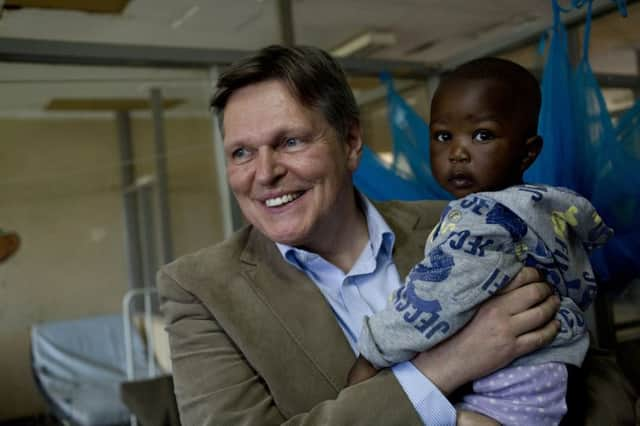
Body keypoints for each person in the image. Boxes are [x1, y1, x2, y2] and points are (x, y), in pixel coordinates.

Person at [157, 45, 614, 426]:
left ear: (352, 142)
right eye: (241, 152)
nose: (265, 173)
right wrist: (447, 364)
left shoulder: (470, 226)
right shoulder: (200, 289)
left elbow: (597, 377)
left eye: (290, 142)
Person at [349, 58, 613, 425]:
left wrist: (372, 353)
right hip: (551, 374)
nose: (457, 152)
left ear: (528, 151)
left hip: (511, 388)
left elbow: (438, 299)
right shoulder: (543, 210)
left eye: (482, 135)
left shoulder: (480, 220)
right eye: (443, 136)